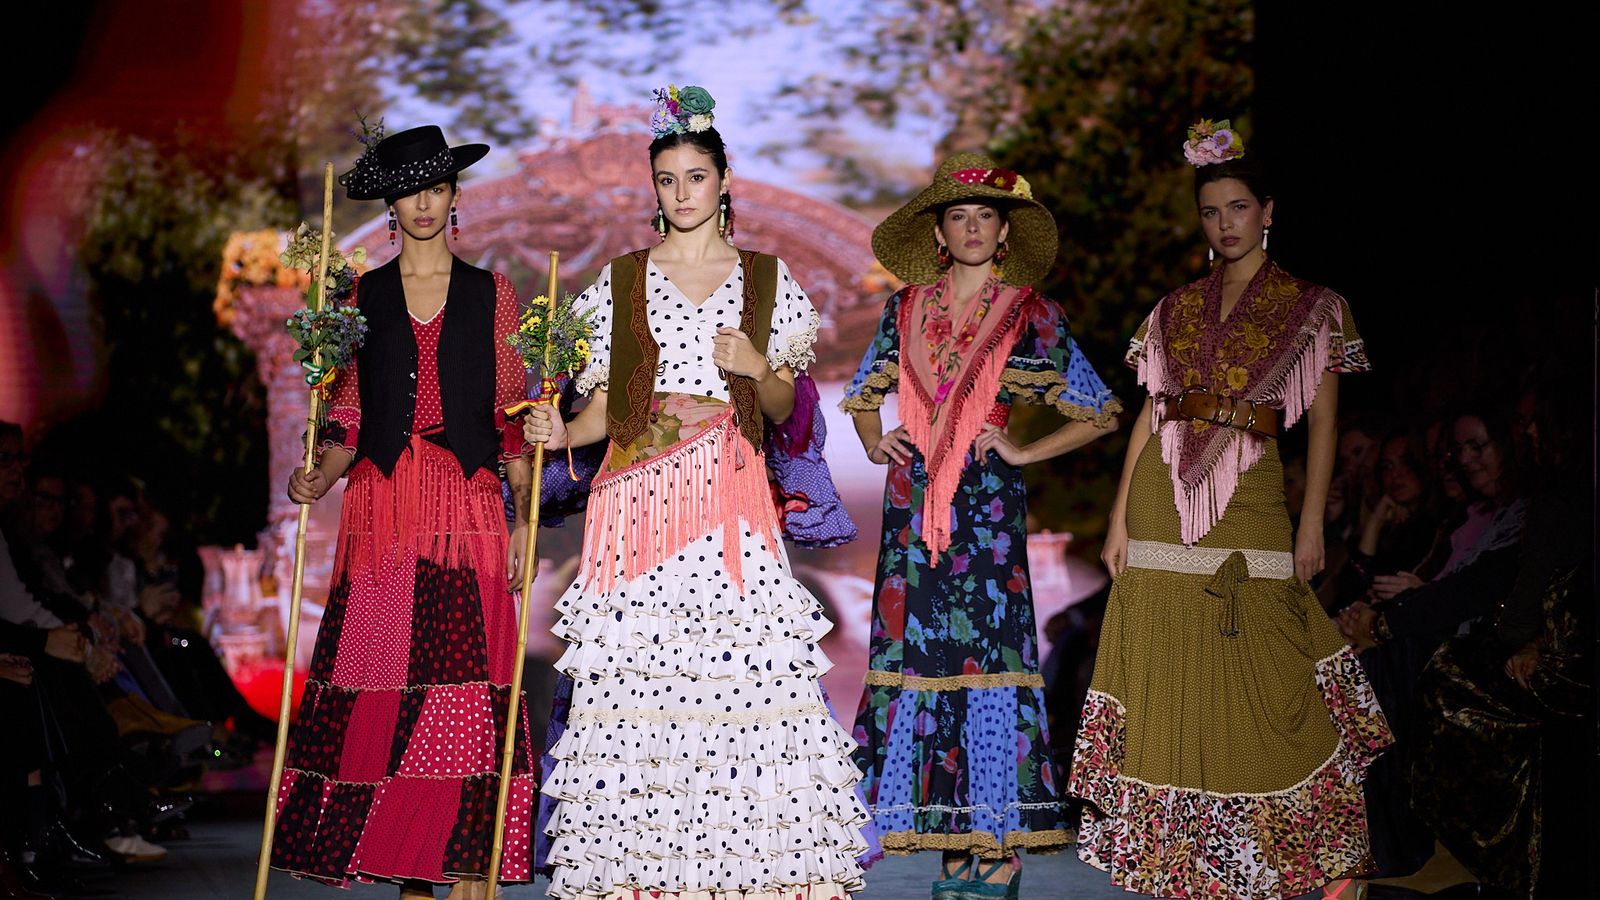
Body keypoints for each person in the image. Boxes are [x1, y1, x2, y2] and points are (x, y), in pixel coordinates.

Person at [522, 86, 869, 900]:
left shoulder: (770, 282)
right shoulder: (616, 284)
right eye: (668, 180)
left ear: (723, 181)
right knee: (640, 685)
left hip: (728, 497)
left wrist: (755, 370)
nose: (682, 192)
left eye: (696, 176)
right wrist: (557, 431)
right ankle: (642, 876)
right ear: (655, 190)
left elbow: (785, 408)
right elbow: (603, 409)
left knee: (739, 680)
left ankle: (752, 873)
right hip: (633, 504)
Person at [1069, 122, 1393, 900]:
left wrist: (1312, 522)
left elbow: (1321, 424)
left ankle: (1321, 859)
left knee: (1273, 660)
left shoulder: (1314, 307)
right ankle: (1194, 868)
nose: (1226, 223)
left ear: (1268, 211)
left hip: (1252, 492)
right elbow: (1151, 412)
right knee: (1169, 670)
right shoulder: (1174, 310)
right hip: (1158, 500)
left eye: (1239, 207)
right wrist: (1118, 517)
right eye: (1212, 211)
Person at [841, 152, 1120, 898]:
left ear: (1003, 234)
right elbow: (864, 395)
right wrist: (874, 440)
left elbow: (1102, 410)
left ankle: (994, 842)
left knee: (987, 661)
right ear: (939, 231)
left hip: (987, 509)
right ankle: (953, 840)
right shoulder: (903, 310)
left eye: (984, 217)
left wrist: (1024, 447)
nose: (971, 228)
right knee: (922, 662)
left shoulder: (1030, 312)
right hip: (911, 507)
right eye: (958, 215)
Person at [275, 125, 537, 899]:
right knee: (386, 682)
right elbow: (350, 414)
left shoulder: (494, 293)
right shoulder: (362, 297)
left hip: (467, 507)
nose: (422, 202)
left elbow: (512, 417)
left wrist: (524, 518)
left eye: (435, 186)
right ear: (392, 203)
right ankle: (408, 870)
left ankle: (456, 866)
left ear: (454, 197)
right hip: (383, 511)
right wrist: (316, 478)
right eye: (409, 189)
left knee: (461, 682)